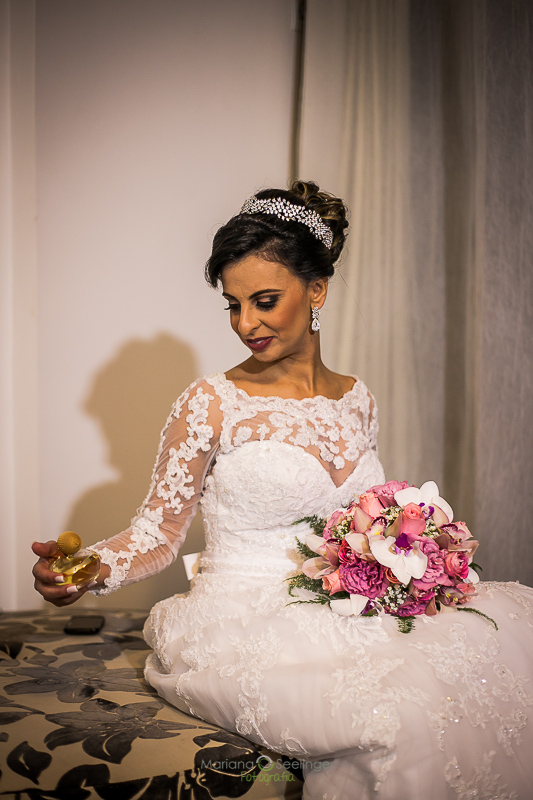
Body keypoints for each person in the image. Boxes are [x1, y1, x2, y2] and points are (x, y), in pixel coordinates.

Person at [33, 181, 533, 799]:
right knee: (395, 716)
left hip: (343, 605)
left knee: (493, 665)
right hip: (239, 617)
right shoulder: (211, 402)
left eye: (265, 300)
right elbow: (158, 536)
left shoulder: (359, 400)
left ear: (316, 290)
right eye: (233, 305)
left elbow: (362, 524)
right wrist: (85, 570)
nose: (247, 323)